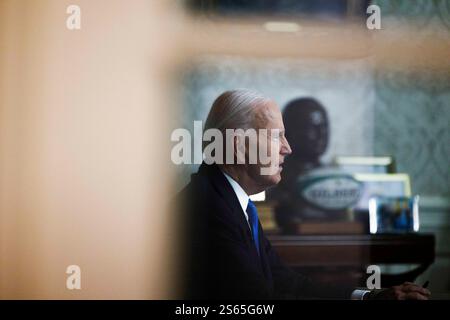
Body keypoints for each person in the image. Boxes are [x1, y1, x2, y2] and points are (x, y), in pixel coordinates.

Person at [177, 89, 431, 300]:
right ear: (238, 146)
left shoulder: (228, 201)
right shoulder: (209, 211)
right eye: (277, 137)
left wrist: (371, 297)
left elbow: (288, 284)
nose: (288, 148)